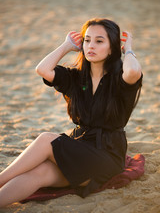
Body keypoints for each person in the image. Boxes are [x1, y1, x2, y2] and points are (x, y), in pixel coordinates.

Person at [0, 18, 142, 207]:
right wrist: (66, 45)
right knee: (39, 173)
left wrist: (129, 48)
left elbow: (133, 71)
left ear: (112, 48)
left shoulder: (120, 79)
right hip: (80, 148)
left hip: (107, 157)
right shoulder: (76, 78)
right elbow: (42, 69)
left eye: (99, 41)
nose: (91, 45)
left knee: (46, 139)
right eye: (87, 40)